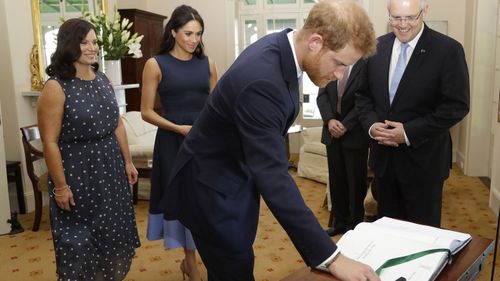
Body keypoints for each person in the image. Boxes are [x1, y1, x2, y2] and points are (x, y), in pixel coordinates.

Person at [161, 1, 380, 280]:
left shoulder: (284, 47)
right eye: (339, 64)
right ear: (315, 42)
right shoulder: (262, 80)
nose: (339, 75)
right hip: (211, 189)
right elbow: (274, 177)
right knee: (235, 269)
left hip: (234, 174)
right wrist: (331, 258)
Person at [37, 18, 141, 280]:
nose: (92, 47)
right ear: (69, 45)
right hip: (78, 175)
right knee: (79, 246)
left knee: (112, 240)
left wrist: (127, 161)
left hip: (111, 172)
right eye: (84, 42)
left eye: (94, 42)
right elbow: (49, 141)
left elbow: (116, 123)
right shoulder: (55, 86)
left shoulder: (102, 78)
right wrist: (60, 186)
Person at [356, 0, 470, 227]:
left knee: (422, 238)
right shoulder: (375, 48)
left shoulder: (448, 50)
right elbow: (362, 97)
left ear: (424, 11)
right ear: (388, 14)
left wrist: (408, 132)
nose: (403, 24)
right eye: (396, 18)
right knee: (388, 230)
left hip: (424, 164)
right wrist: (371, 126)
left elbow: (456, 106)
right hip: (384, 163)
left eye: (410, 17)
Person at [140, 5, 217, 281]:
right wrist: (178, 128)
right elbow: (146, 111)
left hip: (204, 142)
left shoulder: (207, 63)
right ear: (173, 32)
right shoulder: (155, 64)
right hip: (173, 142)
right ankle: (190, 263)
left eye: (198, 34)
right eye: (187, 33)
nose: (194, 39)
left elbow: (215, 105)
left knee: (205, 199)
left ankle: (203, 256)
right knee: (184, 199)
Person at [317, 59, 369, 237]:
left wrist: (345, 125)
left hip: (354, 133)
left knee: (355, 182)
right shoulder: (331, 61)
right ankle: (339, 223)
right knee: (336, 180)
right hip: (332, 133)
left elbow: (365, 100)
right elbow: (322, 95)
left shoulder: (366, 64)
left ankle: (354, 225)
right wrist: (330, 120)